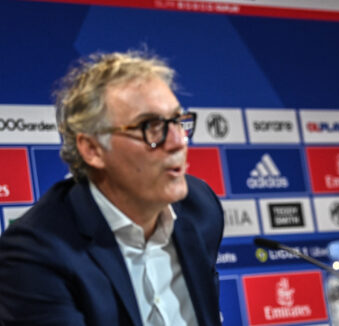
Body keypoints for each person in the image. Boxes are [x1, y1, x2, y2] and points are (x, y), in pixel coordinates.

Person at [0, 50, 224, 326]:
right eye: (150, 126)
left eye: (178, 121)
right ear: (93, 149)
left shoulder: (201, 209)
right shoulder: (37, 253)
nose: (178, 141)